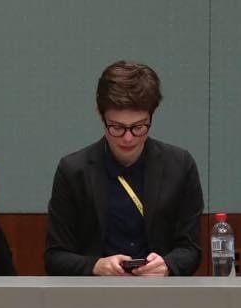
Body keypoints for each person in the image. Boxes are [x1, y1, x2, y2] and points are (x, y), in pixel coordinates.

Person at [45, 61, 204, 276]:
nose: (128, 138)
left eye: (139, 127)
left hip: (162, 297)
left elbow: (191, 249)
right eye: (117, 127)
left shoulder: (179, 165)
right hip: (92, 298)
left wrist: (167, 265)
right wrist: (96, 266)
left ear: (152, 116)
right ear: (100, 115)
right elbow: (55, 256)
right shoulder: (74, 170)